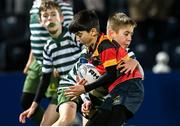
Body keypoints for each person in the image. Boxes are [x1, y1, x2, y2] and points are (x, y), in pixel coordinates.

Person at [64, 10, 144, 126]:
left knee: (112, 121)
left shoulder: (105, 45)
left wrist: (85, 88)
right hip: (115, 91)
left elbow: (111, 75)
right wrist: (86, 99)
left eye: (79, 35)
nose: (77, 39)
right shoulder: (91, 52)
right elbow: (90, 78)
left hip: (128, 88)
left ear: (92, 32)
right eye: (126, 34)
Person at [19, 1, 83, 125]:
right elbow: (45, 79)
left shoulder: (74, 36)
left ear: (61, 17)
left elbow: (90, 49)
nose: (50, 18)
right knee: (46, 119)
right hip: (65, 84)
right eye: (46, 16)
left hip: (84, 83)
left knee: (76, 119)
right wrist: (33, 106)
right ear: (41, 21)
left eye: (53, 14)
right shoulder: (48, 47)